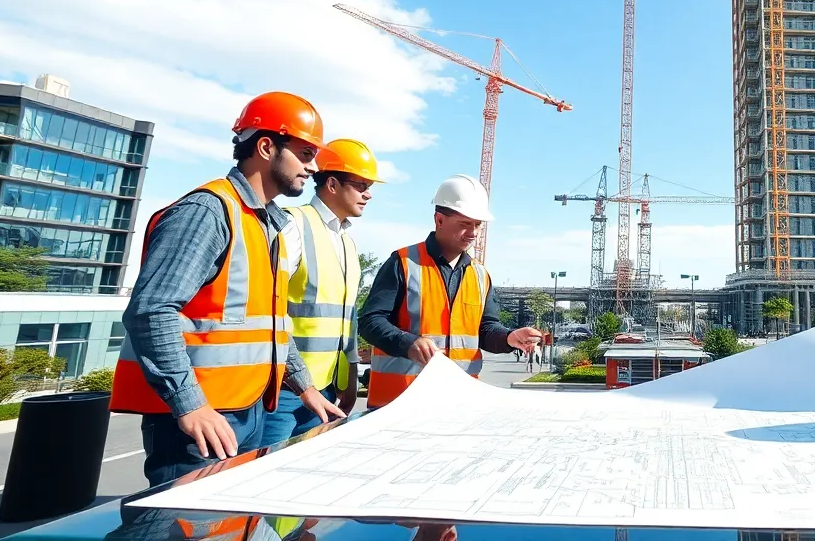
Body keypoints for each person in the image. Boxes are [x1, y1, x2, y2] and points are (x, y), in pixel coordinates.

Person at [111, 92, 345, 486]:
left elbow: (271, 323)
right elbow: (151, 311)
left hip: (249, 409)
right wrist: (191, 405)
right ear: (267, 146)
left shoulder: (265, 223)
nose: (312, 167)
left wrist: (304, 386)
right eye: (305, 153)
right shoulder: (208, 212)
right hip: (201, 423)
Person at [358, 174, 543, 406]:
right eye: (465, 224)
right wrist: (408, 343)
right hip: (400, 402)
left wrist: (508, 337)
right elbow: (370, 322)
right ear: (439, 220)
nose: (473, 233)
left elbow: (485, 329)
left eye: (478, 225)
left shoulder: (479, 275)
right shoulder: (403, 263)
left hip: (457, 404)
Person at [262, 138, 383, 445]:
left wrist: (351, 375)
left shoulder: (347, 242)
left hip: (328, 388)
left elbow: (348, 319)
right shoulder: (294, 225)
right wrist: (301, 382)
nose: (368, 194)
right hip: (284, 391)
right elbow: (266, 308)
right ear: (331, 184)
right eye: (361, 185)